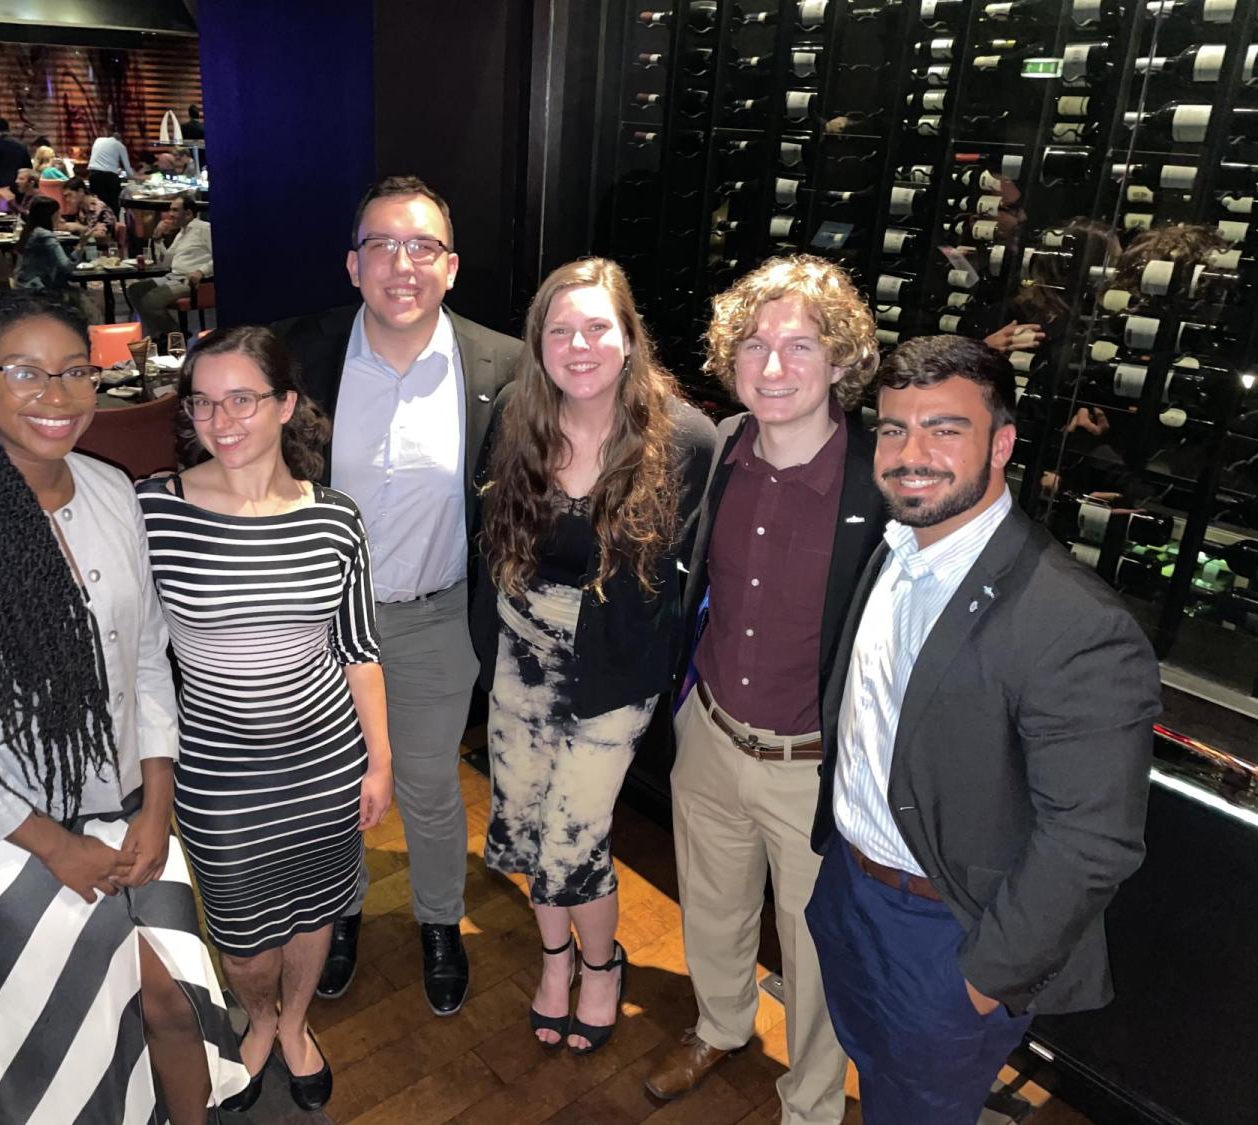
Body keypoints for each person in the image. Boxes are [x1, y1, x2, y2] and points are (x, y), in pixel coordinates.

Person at [0, 290, 250, 1123]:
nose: (59, 395)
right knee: (61, 1058)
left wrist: (158, 801)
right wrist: (56, 847)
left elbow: (147, 657)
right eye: (27, 373)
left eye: (76, 371)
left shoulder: (110, 492)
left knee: (176, 1004)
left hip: (126, 808)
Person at [805, 335, 1162, 1125]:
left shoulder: (1075, 623)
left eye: (945, 428)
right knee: (878, 1079)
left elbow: (1093, 839)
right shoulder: (897, 547)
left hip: (945, 935)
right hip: (852, 898)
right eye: (894, 429)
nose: (911, 453)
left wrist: (982, 975)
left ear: (1001, 443)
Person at [645, 255, 886, 1118]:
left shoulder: (882, 485)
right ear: (730, 357)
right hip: (709, 732)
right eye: (755, 344)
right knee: (711, 908)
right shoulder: (717, 453)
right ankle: (720, 1023)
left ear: (841, 361)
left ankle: (812, 1100)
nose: (774, 365)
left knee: (818, 953)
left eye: (800, 345)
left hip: (812, 764)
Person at [274, 175, 521, 1015]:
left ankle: (439, 921)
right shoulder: (299, 355)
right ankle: (337, 913)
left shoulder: (501, 363)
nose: (402, 263)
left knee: (424, 782)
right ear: (353, 264)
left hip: (434, 617)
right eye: (382, 244)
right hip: (316, 624)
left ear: (450, 267)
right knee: (332, 779)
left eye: (422, 247)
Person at [136, 325, 392, 1113]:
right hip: (217, 770)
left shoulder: (335, 520)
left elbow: (358, 649)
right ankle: (258, 1014)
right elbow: (140, 650)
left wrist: (378, 762)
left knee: (316, 908)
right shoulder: (154, 508)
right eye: (204, 401)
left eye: (242, 398)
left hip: (324, 761)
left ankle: (296, 1026)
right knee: (244, 933)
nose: (222, 419)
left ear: (285, 404)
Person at [472, 257, 716, 1052]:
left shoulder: (683, 436)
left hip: (613, 668)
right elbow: (488, 538)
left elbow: (691, 575)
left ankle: (602, 966)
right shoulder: (514, 411)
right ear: (539, 340)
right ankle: (554, 962)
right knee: (526, 821)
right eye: (560, 329)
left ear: (629, 337)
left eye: (596, 327)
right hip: (520, 659)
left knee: (575, 835)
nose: (578, 345)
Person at [128, 192, 212, 341]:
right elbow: (166, 263)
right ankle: (160, 336)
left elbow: (221, 256)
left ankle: (177, 338)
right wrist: (158, 238)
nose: (170, 214)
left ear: (188, 213)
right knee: (135, 290)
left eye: (175, 210)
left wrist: (201, 271)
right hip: (172, 276)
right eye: (170, 210)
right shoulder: (181, 232)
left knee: (151, 300)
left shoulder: (203, 228)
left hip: (191, 281)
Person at [13, 194, 91, 306]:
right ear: (50, 216)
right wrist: (81, 244)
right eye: (58, 214)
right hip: (37, 288)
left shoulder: (29, 230)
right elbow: (66, 266)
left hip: (22, 283)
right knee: (84, 300)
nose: (61, 218)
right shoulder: (45, 235)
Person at [59, 176, 119, 252]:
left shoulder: (101, 209)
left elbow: (103, 236)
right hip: (84, 248)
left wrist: (79, 228)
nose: (67, 199)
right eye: (65, 197)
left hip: (101, 251)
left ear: (81, 191)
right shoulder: (80, 208)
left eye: (70, 195)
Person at [88, 128, 139, 212]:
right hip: (109, 178)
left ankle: (98, 221)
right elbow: (129, 171)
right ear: (120, 140)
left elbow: (102, 159)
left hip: (93, 175)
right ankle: (114, 222)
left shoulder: (98, 140)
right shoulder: (120, 145)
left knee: (97, 203)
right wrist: (139, 177)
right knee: (113, 204)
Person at [0, 117, 32, 191]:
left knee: (3, 202)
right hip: (20, 183)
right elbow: (28, 166)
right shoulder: (21, 144)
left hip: (3, 183)